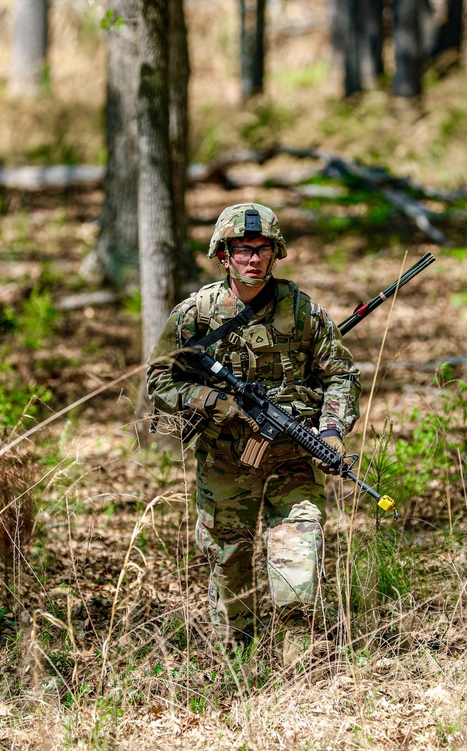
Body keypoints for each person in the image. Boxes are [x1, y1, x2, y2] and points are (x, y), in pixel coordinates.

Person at [146, 203, 361, 657]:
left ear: (275, 253)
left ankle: (298, 660)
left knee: (298, 549)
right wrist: (216, 402)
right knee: (229, 560)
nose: (253, 259)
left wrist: (331, 432)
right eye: (243, 250)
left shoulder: (302, 310)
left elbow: (340, 375)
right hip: (225, 459)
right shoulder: (196, 315)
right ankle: (236, 665)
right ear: (224, 255)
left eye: (262, 249)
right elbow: (160, 380)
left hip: (293, 458)